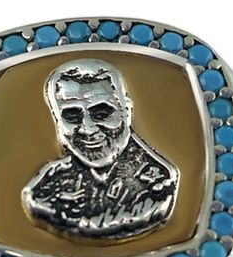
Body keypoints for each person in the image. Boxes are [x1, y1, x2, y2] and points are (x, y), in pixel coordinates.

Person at [22, 58, 179, 241]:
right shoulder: (49, 182)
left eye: (102, 113)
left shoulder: (158, 185)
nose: (88, 129)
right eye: (71, 116)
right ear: (57, 120)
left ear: (127, 112)